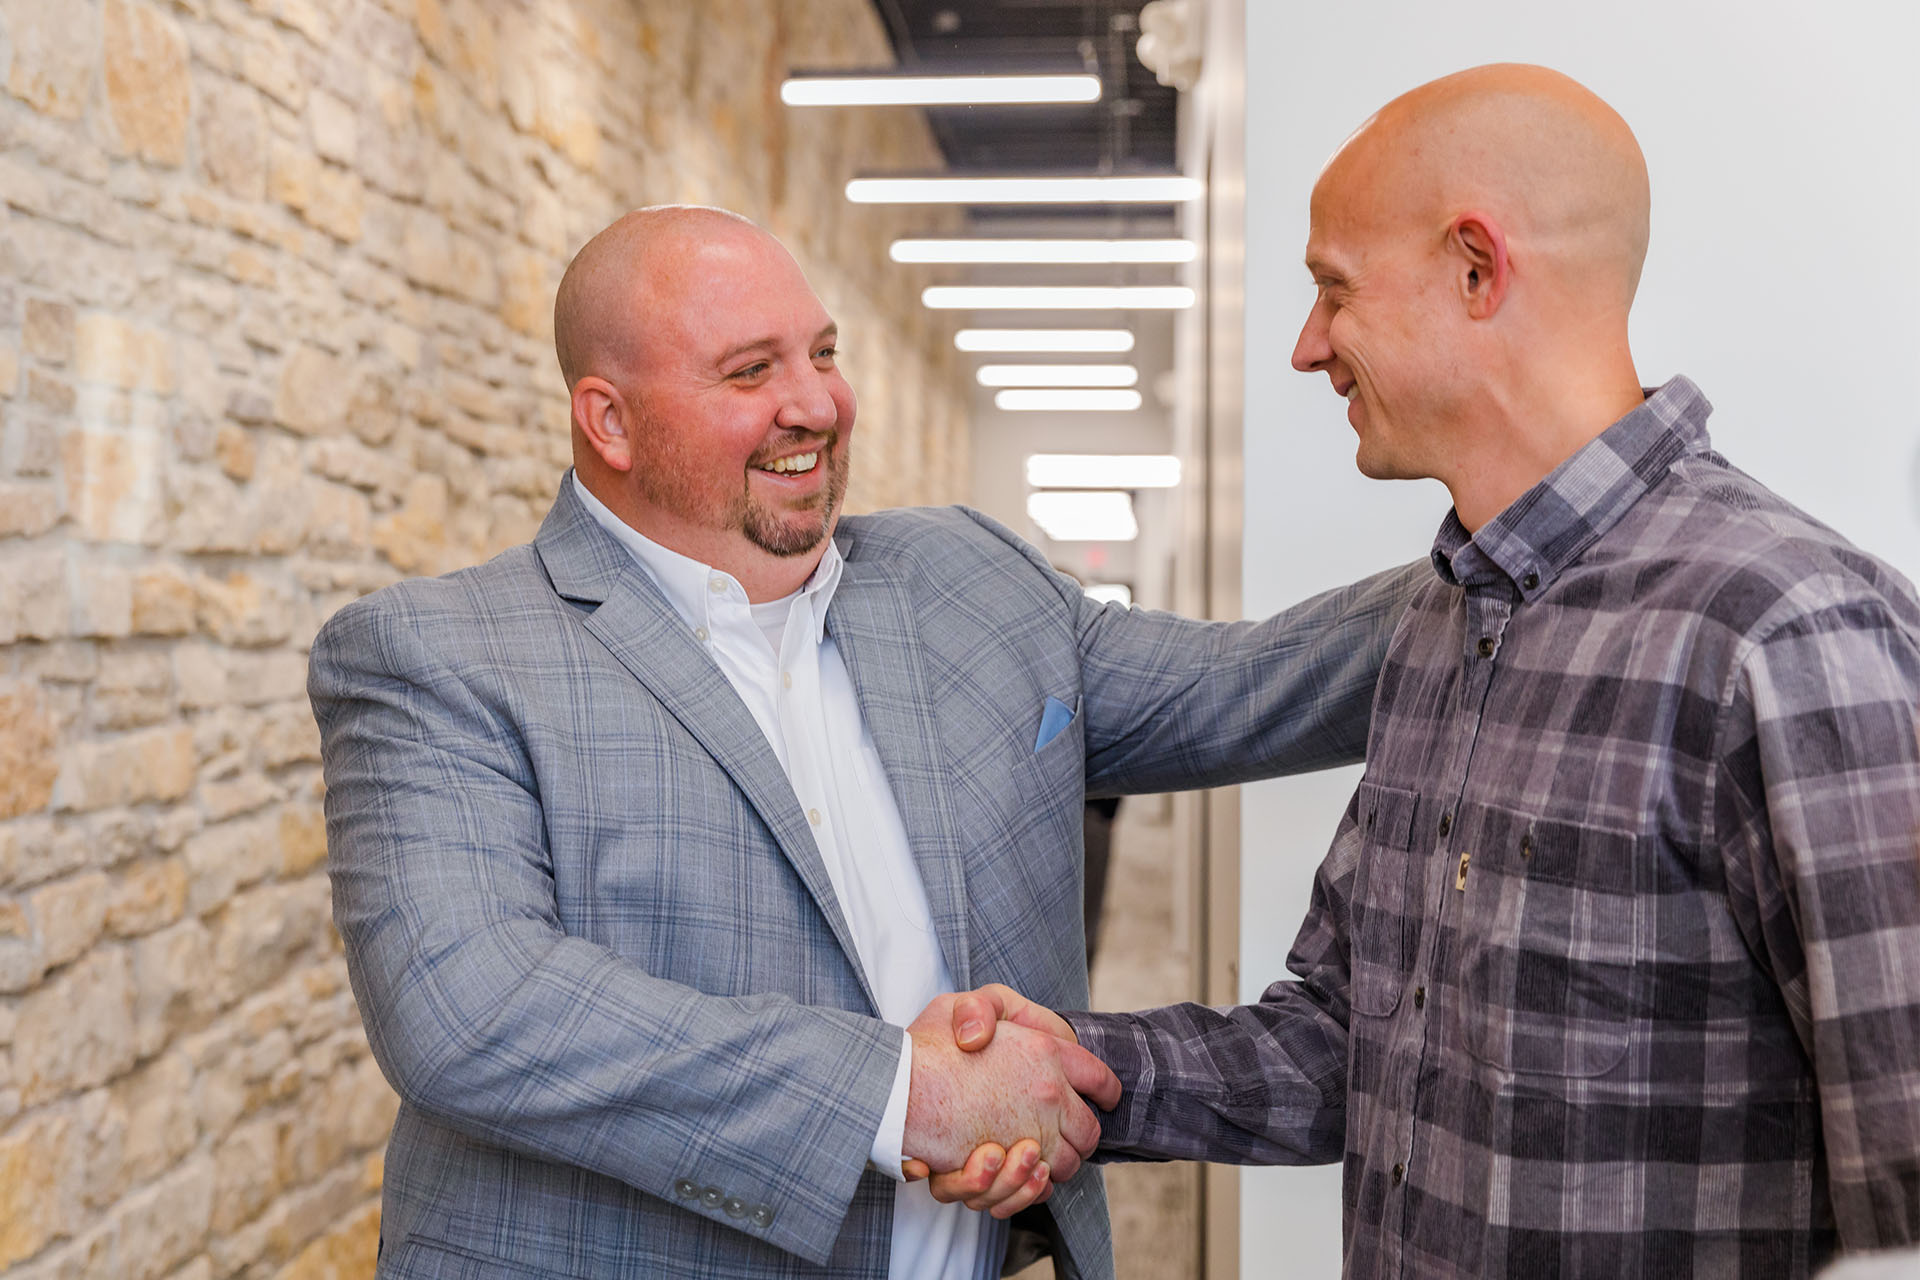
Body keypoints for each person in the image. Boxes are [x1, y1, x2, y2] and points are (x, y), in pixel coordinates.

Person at [307, 205, 1425, 1279]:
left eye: (824, 352)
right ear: (610, 420)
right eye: (752, 372)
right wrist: (903, 1091)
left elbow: (1259, 684)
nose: (818, 404)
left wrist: (1533, 541)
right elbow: (473, 1006)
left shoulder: (971, 576)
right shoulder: (438, 654)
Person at [936, 64, 1920, 1276]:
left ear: (1476, 268)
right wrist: (1077, 1072)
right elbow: (1355, 1041)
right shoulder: (1442, 621)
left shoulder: (1786, 630)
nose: (1308, 349)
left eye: (1331, 291)